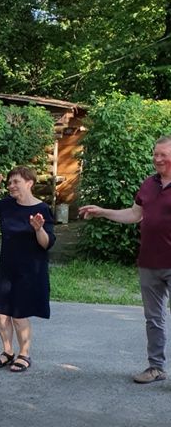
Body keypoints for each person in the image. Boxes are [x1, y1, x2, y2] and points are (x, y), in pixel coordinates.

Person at [79, 136, 171, 384]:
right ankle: (156, 368)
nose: (157, 159)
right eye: (155, 154)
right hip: (149, 262)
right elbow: (135, 214)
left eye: (163, 154)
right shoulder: (148, 184)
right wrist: (102, 211)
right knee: (154, 319)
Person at [0, 166, 56, 373]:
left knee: (19, 315)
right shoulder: (7, 205)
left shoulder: (42, 209)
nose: (11, 186)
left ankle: (24, 354)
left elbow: (47, 243)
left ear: (29, 183)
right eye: (9, 183)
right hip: (7, 268)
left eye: (15, 182)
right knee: (1, 314)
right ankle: (7, 352)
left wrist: (38, 229)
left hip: (30, 271)